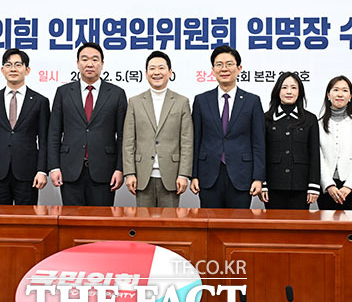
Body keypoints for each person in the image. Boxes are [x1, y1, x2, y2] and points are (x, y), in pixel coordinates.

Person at [47, 42, 127, 206]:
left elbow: (123, 136)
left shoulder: (117, 94)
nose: (89, 64)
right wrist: (54, 167)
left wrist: (120, 168)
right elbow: (54, 133)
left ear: (102, 64)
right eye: (84, 59)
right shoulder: (63, 92)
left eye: (95, 59)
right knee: (71, 220)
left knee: (101, 220)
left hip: (104, 171)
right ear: (78, 64)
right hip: (70, 170)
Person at [190, 45, 265, 208]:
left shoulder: (252, 101)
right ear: (213, 70)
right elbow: (195, 140)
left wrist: (258, 177)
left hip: (242, 175)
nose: (224, 69)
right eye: (219, 64)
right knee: (210, 222)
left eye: (229, 64)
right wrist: (193, 175)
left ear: (239, 68)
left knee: (238, 223)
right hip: (208, 175)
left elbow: (259, 142)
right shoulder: (201, 101)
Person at [0, 48, 50, 205]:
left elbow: (44, 141)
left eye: (18, 64)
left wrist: (42, 170)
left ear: (27, 70)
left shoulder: (40, 101)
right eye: (8, 65)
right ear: (2, 70)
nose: (13, 69)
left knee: (26, 218)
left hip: (28, 172)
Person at [122, 51, 193, 207]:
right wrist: (129, 173)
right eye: (152, 68)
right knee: (143, 220)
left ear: (170, 72)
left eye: (161, 68)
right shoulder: (135, 102)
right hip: (142, 176)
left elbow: (187, 142)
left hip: (172, 175)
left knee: (170, 221)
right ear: (146, 74)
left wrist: (183, 174)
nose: (156, 72)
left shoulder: (182, 102)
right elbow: (128, 141)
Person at [262, 72, 320, 209]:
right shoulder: (266, 119)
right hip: (273, 186)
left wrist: (314, 185)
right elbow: (261, 153)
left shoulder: (310, 119)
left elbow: (314, 154)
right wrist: (262, 183)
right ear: (277, 91)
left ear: (300, 92)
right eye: (284, 87)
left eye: (293, 88)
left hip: (301, 186)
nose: (289, 92)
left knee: (300, 223)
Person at [318, 76, 352, 210]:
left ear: (350, 96)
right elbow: (317, 158)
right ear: (328, 95)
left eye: (345, 90)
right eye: (336, 90)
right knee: (327, 223)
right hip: (327, 189)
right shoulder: (317, 124)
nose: (340, 94)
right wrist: (329, 185)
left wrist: (349, 186)